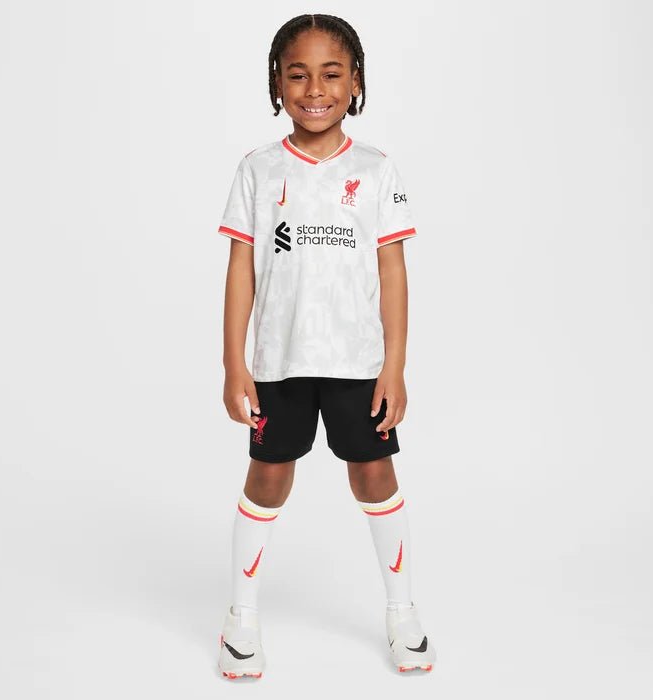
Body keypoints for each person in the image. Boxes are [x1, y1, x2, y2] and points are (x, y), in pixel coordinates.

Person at [215, 14, 436, 679]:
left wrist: (395, 365)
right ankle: (241, 620)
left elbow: (392, 271)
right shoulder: (258, 169)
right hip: (279, 364)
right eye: (298, 74)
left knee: (374, 474)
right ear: (277, 83)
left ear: (356, 82)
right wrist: (234, 363)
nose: (315, 89)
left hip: (357, 363)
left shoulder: (376, 170)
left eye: (331, 74)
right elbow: (241, 269)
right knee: (268, 477)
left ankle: (401, 613)